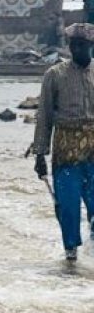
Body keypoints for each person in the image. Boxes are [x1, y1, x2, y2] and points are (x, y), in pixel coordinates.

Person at [32, 23, 94, 262]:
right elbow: (44, 116)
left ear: (91, 46)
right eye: (73, 45)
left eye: (82, 46)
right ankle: (71, 256)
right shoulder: (54, 75)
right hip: (66, 149)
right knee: (67, 207)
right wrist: (40, 154)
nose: (77, 50)